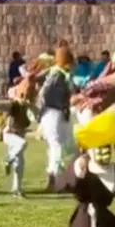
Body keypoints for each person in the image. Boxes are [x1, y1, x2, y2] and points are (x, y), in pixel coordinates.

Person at [0, 74, 39, 198]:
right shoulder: (14, 104)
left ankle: (17, 189)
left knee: (20, 163)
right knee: (22, 144)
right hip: (9, 135)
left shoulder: (29, 106)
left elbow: (37, 115)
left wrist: (33, 108)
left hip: (20, 135)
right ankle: (7, 160)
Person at [37, 46, 76, 191]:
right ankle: (54, 178)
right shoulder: (56, 75)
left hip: (58, 112)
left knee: (65, 145)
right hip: (52, 112)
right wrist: (40, 114)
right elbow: (44, 93)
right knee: (56, 145)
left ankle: (61, 176)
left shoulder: (60, 74)